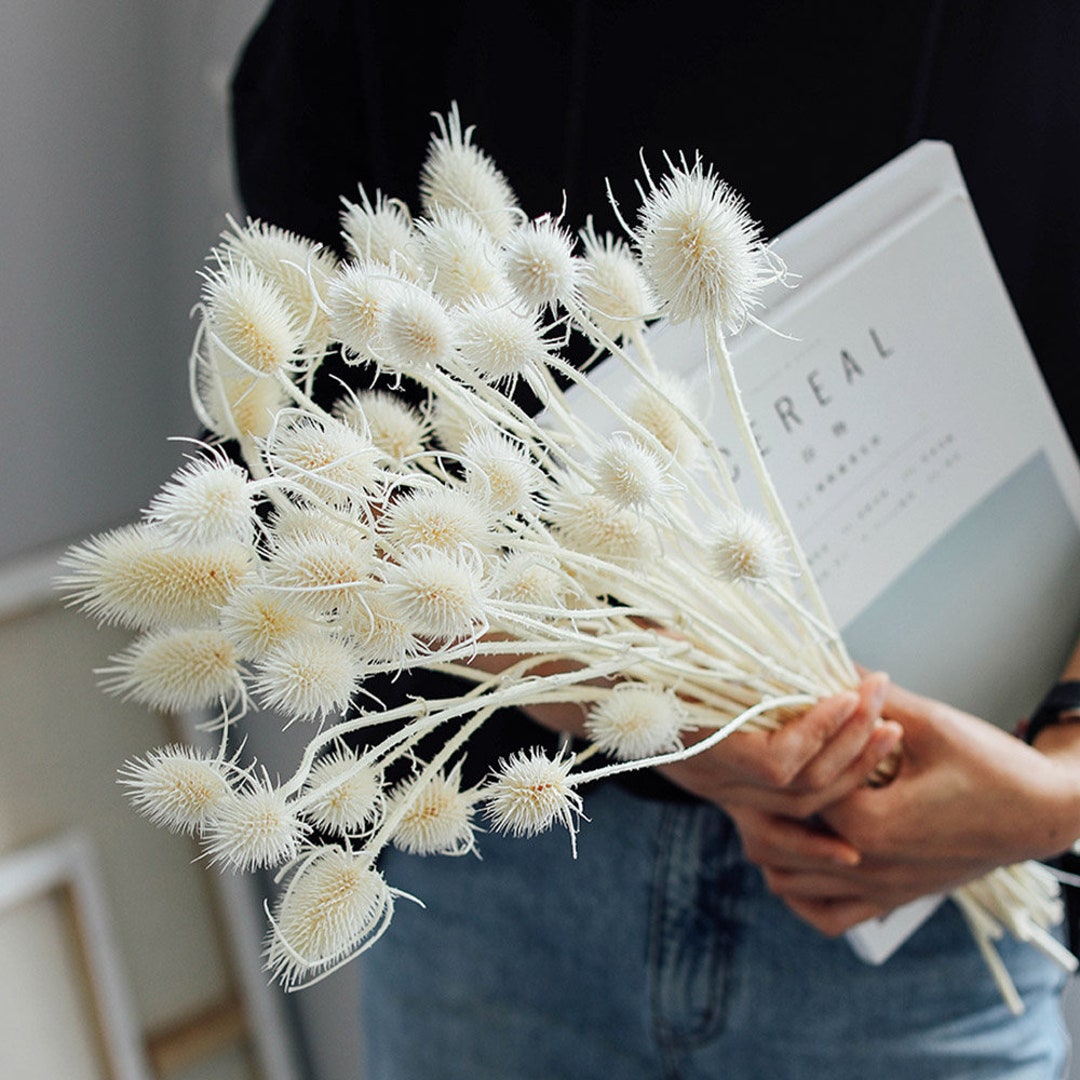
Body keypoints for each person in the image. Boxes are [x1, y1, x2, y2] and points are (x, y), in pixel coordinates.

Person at [229, 2, 1080, 1075]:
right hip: (498, 856)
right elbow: (310, 423)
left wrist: (1059, 791)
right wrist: (632, 704)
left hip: (932, 923)